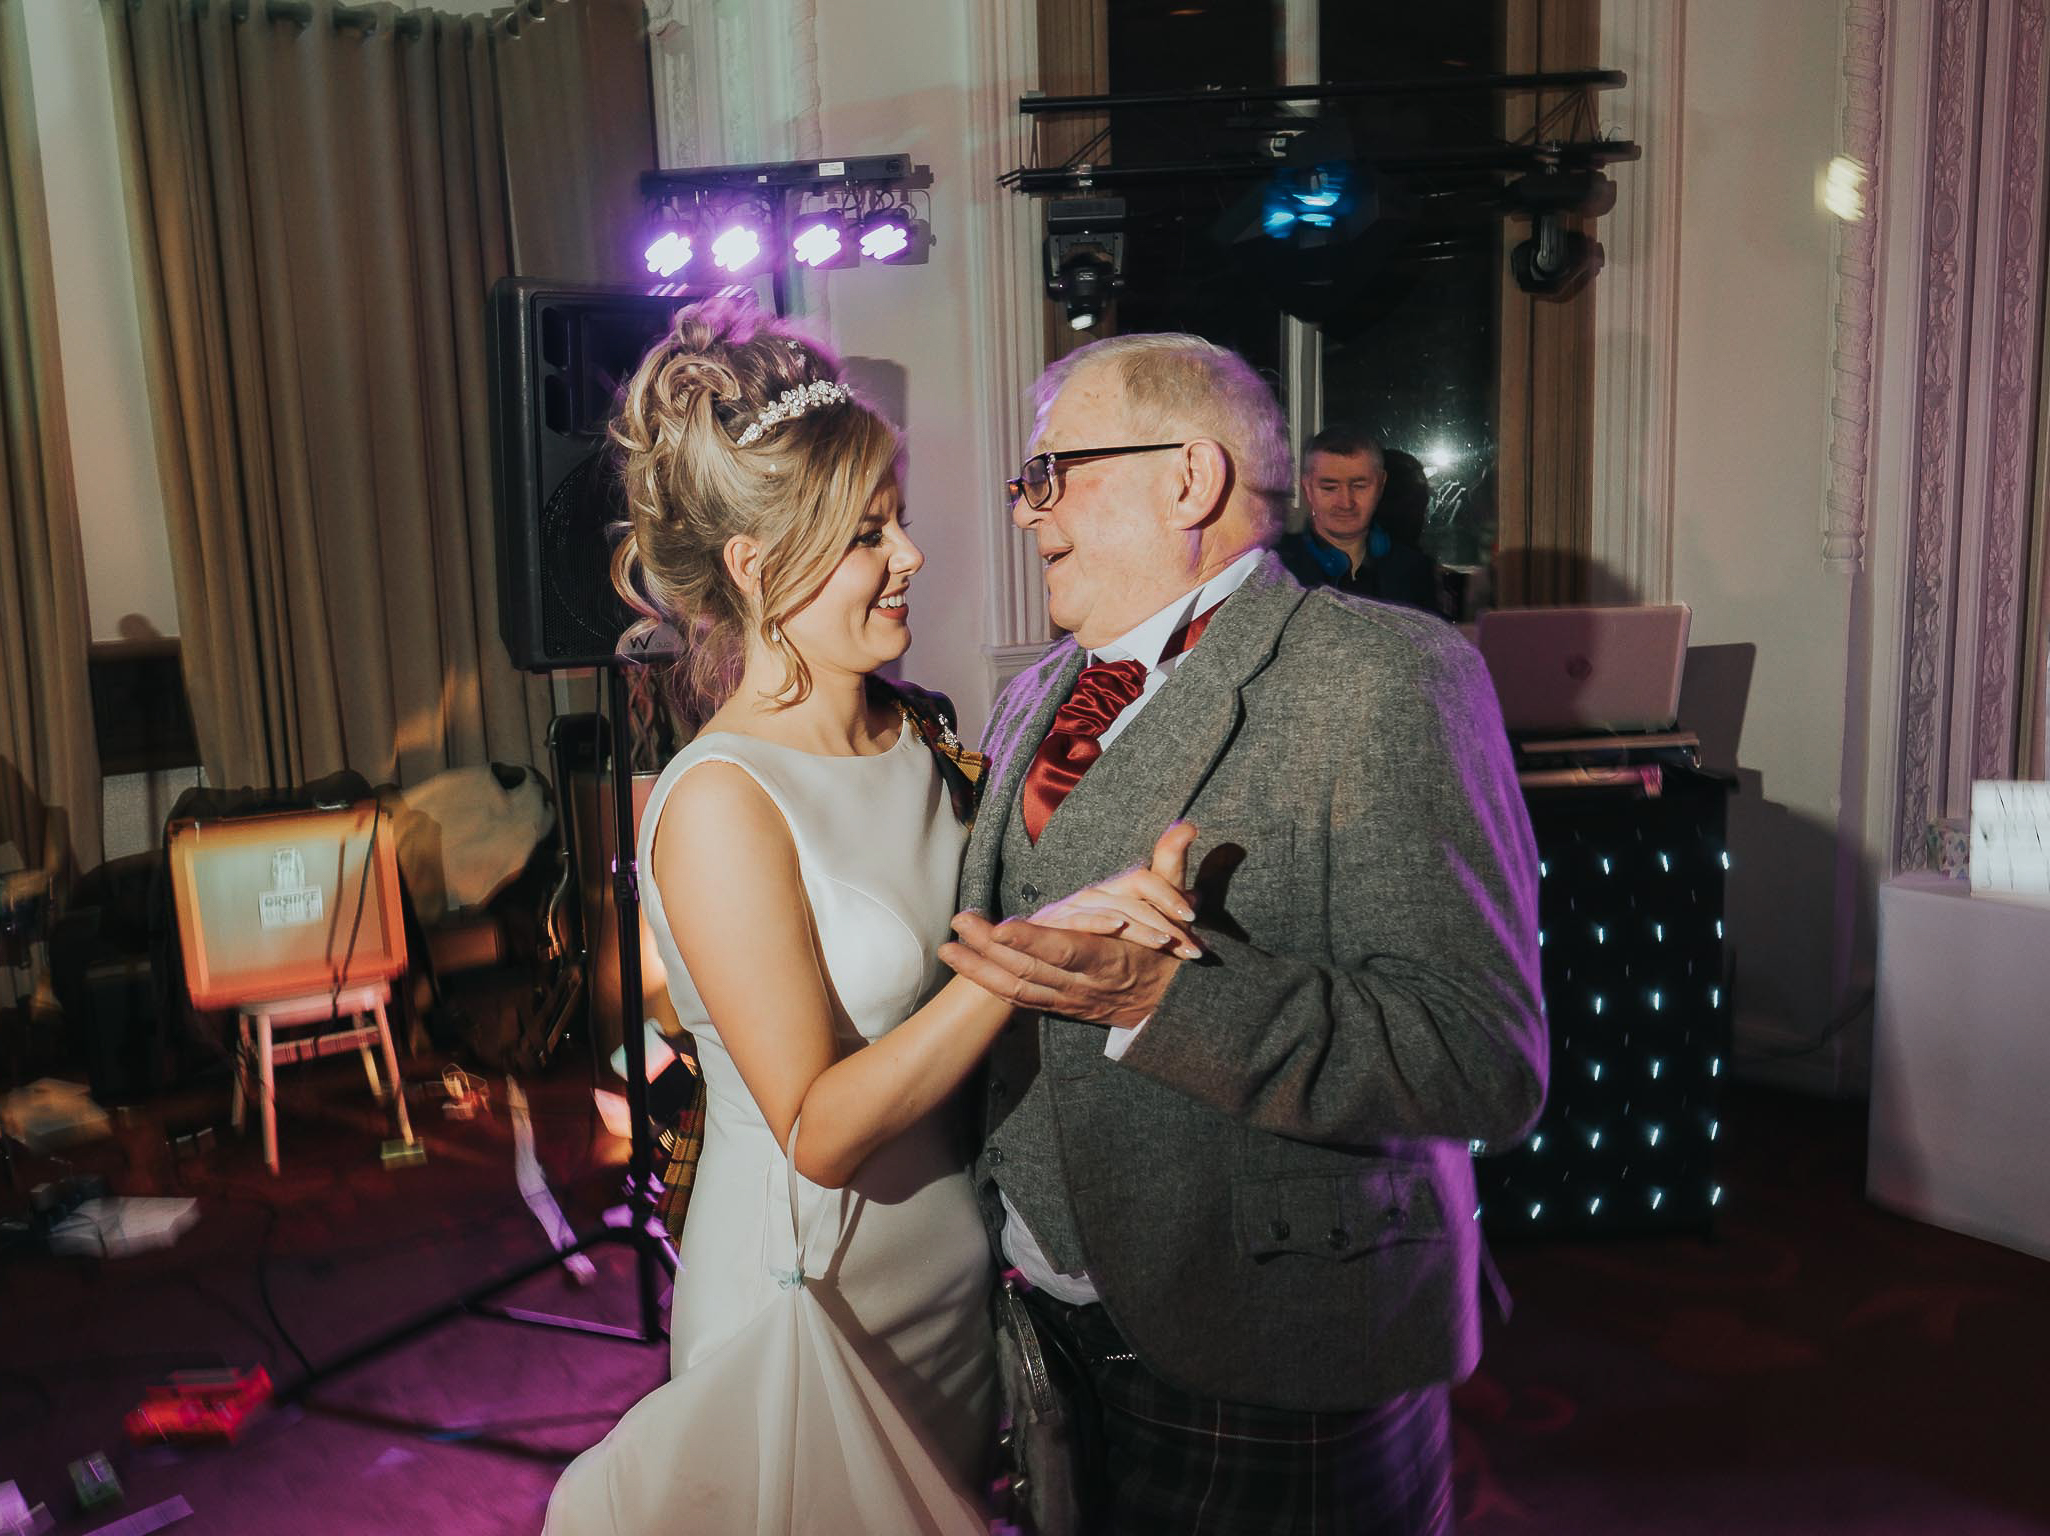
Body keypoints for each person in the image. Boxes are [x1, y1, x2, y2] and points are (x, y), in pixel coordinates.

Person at [542, 300, 1193, 1534]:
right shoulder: (721, 800)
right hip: (814, 1300)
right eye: (864, 533)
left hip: (956, 1272)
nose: (910, 556)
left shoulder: (924, 730)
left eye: (895, 520)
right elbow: (818, 1130)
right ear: (755, 566)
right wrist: (1024, 966)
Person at [940, 333, 1546, 1535]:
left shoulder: (1384, 674)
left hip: (1276, 1340)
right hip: (1045, 1319)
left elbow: (1481, 1056)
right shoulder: (1034, 692)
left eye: (1050, 474)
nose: (1028, 513)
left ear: (1188, 479)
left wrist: (1157, 999)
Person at [1277, 425, 1445, 615]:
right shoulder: (1275, 569)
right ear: (1307, 487)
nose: (1346, 503)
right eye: (1329, 488)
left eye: (1359, 486)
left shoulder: (1415, 571)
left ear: (1381, 484)